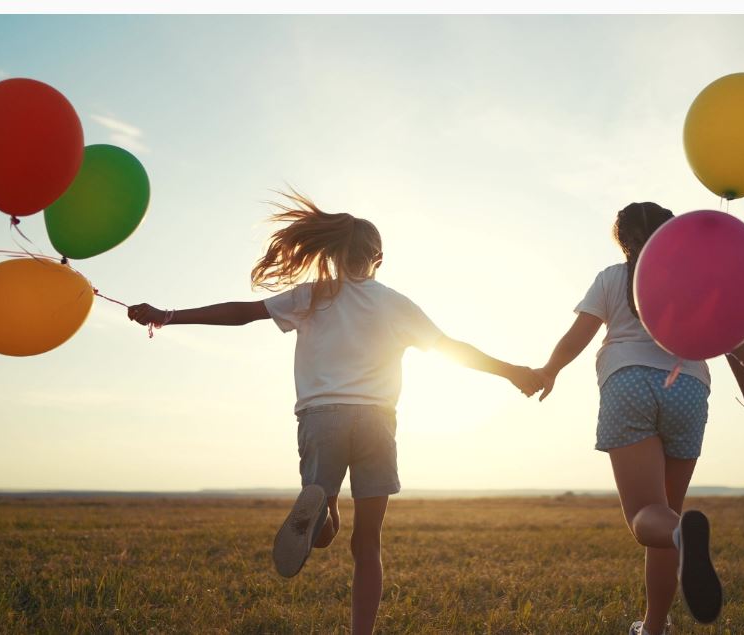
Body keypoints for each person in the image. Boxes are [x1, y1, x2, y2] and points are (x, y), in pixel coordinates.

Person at [127, 190, 542, 635]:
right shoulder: (396, 303)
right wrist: (512, 371)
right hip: (376, 424)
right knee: (368, 544)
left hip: (322, 418)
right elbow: (453, 349)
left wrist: (168, 315)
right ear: (378, 258)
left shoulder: (313, 295)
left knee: (323, 517)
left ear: (333, 254)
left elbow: (242, 314)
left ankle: (321, 514)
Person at [534, 202, 744, 635]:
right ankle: (653, 627)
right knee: (670, 514)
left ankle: (682, 540)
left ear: (624, 240)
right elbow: (734, 340)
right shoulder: (696, 280)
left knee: (648, 518)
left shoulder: (613, 277)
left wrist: (549, 370)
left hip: (627, 384)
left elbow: (578, 336)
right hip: (688, 390)